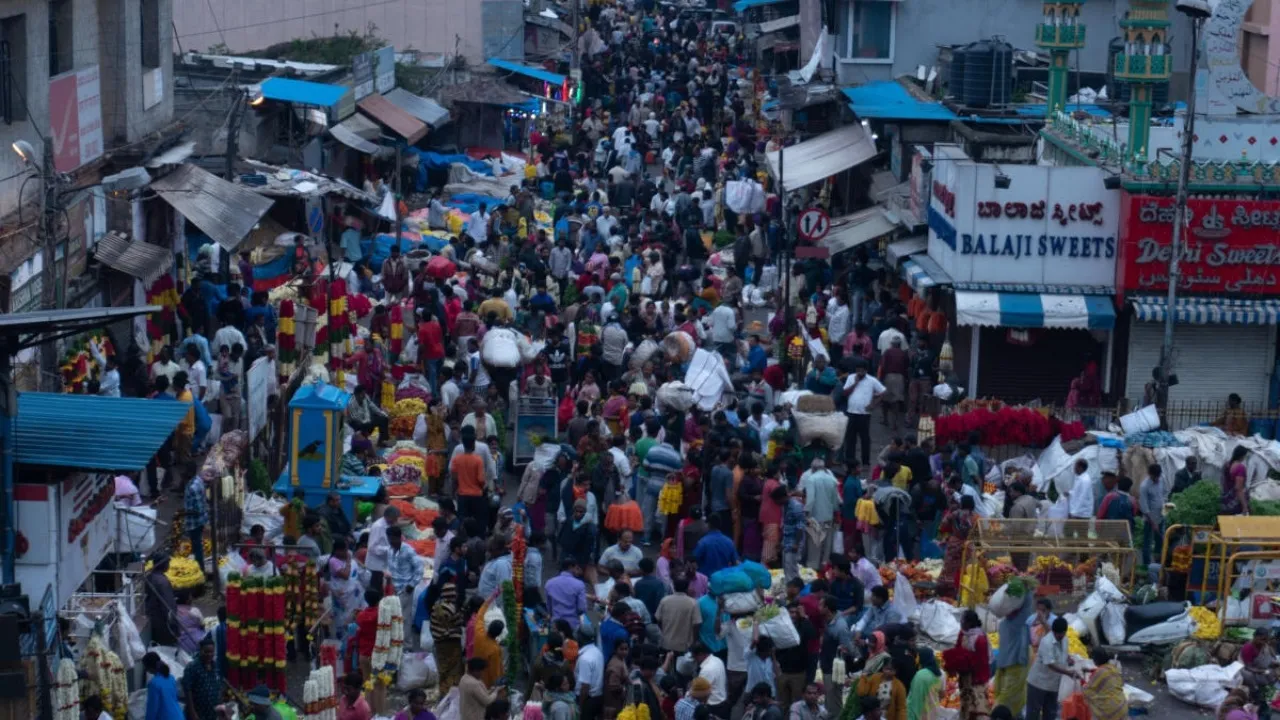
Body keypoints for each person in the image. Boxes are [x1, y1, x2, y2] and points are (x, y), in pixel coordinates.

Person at [1025, 618, 1078, 720]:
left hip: (1053, 685)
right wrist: (1068, 673)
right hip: (1038, 683)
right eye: (1058, 634)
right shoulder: (1046, 642)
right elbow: (1050, 664)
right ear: (1053, 631)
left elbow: (1063, 652)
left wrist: (1068, 658)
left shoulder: (1065, 639)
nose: (1060, 636)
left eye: (1062, 634)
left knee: (1050, 713)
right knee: (1033, 713)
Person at [991, 592, 1035, 715]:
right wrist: (1027, 590)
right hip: (1014, 667)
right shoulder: (1016, 624)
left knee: (1008, 697)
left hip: (1004, 666)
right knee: (1006, 701)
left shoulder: (1004, 624)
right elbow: (1027, 607)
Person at [842, 361, 885, 468]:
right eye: (858, 370)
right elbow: (845, 393)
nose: (859, 372)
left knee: (865, 439)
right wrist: (855, 383)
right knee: (850, 439)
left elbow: (883, 392)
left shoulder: (872, 380)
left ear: (866, 371)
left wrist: (873, 404)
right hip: (851, 413)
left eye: (862, 370)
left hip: (864, 415)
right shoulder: (851, 378)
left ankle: (865, 462)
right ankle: (850, 461)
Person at [799, 459, 840, 569]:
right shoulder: (832, 479)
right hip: (828, 518)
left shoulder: (811, 479)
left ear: (813, 469)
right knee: (826, 546)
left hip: (815, 519)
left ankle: (813, 569)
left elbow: (811, 500)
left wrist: (806, 514)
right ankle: (824, 567)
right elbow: (836, 501)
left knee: (814, 546)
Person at [938, 496, 976, 596]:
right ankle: (962, 590)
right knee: (965, 568)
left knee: (949, 567)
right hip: (968, 545)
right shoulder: (976, 517)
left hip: (954, 544)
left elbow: (943, 525)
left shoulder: (954, 514)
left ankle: (946, 590)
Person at [1080, 648, 1126, 720]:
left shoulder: (1099, 672)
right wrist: (1090, 670)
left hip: (1110, 710)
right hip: (1122, 706)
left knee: (1088, 695)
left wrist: (1081, 680)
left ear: (1095, 660)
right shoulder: (1112, 668)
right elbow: (1103, 673)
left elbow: (1087, 689)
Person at [182, 637, 221, 720]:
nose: (209, 654)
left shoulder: (215, 665)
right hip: (198, 712)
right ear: (200, 650)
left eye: (211, 652)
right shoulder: (192, 667)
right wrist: (192, 712)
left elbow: (218, 686)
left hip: (212, 711)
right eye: (206, 651)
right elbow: (187, 690)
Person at [142, 651, 184, 720]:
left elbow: (152, 708)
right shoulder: (171, 678)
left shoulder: (154, 683)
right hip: (179, 716)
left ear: (149, 668)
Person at [576, 626, 605, 720]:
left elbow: (585, 687)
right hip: (598, 697)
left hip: (587, 700)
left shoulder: (585, 658)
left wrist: (580, 706)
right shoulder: (597, 652)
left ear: (581, 638)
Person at [1139, 464, 1164, 567]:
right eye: (1155, 476)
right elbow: (1144, 507)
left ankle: (1158, 562)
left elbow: (1164, 495)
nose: (1157, 479)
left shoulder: (1162, 480)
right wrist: (1153, 522)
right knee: (1147, 542)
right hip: (1149, 519)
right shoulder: (1144, 486)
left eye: (1158, 476)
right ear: (1150, 474)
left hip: (1161, 516)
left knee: (1160, 540)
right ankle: (1146, 564)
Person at [906, 650, 942, 720]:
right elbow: (942, 694)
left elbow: (914, 697)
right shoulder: (941, 674)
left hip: (920, 712)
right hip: (933, 711)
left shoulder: (920, 674)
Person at [603, 638, 631, 719]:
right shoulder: (616, 665)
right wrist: (625, 688)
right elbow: (613, 686)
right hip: (613, 703)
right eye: (621, 649)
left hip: (617, 702)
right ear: (615, 650)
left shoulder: (621, 660)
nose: (624, 652)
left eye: (626, 649)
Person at [1223, 446, 1250, 516]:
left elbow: (1223, 481)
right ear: (1242, 456)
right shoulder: (1240, 468)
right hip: (1235, 502)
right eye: (1245, 456)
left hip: (1225, 499)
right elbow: (1238, 489)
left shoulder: (1226, 465)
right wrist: (1244, 506)